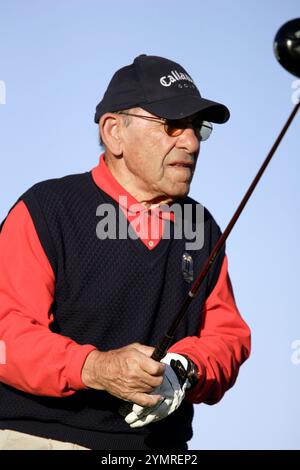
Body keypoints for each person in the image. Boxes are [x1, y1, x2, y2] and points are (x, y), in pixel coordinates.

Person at [0, 54, 251, 451]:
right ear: (115, 132)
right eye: (172, 125)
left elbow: (228, 336)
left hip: (161, 451)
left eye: (196, 128)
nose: (190, 142)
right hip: (40, 436)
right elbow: (6, 334)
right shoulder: (46, 208)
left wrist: (187, 368)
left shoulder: (203, 228)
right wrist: (94, 367)